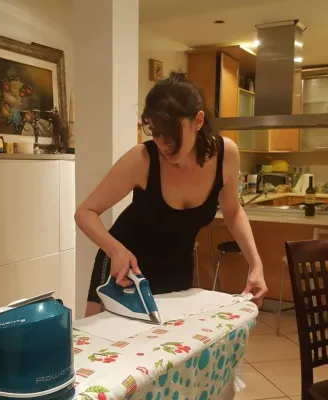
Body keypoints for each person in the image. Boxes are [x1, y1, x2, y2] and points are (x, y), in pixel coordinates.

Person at [75, 71, 268, 317]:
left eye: (172, 132)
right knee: (104, 338)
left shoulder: (225, 155)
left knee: (172, 338)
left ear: (198, 121)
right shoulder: (142, 159)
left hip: (178, 269)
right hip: (125, 270)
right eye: (156, 132)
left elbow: (233, 211)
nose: (163, 143)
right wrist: (115, 250)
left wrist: (255, 264)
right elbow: (85, 213)